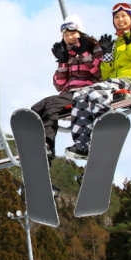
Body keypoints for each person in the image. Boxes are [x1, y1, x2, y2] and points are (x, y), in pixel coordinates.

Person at [66, 1, 131, 158]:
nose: (120, 20)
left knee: (96, 95)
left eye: (124, 16)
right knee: (80, 95)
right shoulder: (116, 43)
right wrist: (107, 54)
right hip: (115, 82)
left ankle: (106, 136)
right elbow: (106, 76)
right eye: (116, 17)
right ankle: (82, 144)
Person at [30, 14, 102, 163]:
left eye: (73, 33)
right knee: (37, 108)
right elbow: (59, 85)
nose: (70, 37)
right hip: (68, 92)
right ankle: (38, 146)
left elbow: (99, 73)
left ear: (80, 33)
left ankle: (47, 143)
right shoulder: (67, 54)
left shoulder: (94, 48)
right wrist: (62, 62)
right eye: (66, 35)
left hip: (85, 92)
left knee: (51, 105)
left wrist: (83, 54)